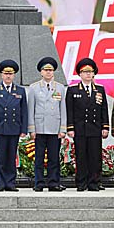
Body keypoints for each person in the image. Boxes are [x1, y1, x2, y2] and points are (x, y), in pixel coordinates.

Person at [66, 58, 109, 191]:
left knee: (95, 157)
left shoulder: (99, 90)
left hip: (95, 128)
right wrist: (70, 127)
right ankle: (81, 183)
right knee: (81, 156)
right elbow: (70, 111)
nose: (88, 74)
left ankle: (94, 182)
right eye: (85, 72)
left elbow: (104, 110)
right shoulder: (73, 90)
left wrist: (105, 127)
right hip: (80, 129)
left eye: (90, 72)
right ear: (80, 74)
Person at [0, 59, 27, 192]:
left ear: (14, 75)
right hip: (0, 128)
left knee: (11, 157)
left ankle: (10, 183)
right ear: (2, 75)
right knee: (1, 157)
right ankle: (0, 182)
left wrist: (23, 129)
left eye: (11, 74)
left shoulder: (20, 90)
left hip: (14, 128)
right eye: (5, 74)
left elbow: (24, 111)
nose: (8, 76)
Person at [27, 57, 67, 192]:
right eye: (46, 70)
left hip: (54, 127)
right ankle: (38, 183)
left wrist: (63, 128)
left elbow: (63, 109)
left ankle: (53, 182)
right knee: (38, 157)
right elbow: (30, 109)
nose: (48, 72)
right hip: (39, 127)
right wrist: (31, 129)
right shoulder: (34, 88)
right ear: (41, 72)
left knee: (54, 158)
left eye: (51, 70)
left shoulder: (60, 87)